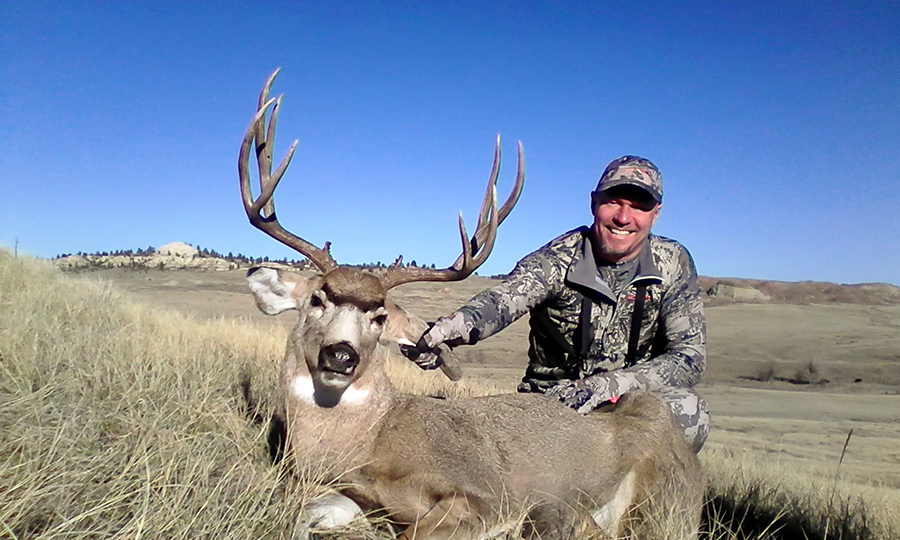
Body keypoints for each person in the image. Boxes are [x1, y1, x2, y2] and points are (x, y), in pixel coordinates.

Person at [410, 155, 709, 452]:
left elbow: (689, 357)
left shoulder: (672, 263)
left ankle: (640, 497)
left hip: (627, 405)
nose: (623, 217)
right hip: (551, 406)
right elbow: (503, 301)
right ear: (593, 203)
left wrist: (610, 385)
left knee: (688, 412)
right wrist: (450, 328)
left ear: (655, 214)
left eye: (638, 206)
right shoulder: (557, 259)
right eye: (613, 202)